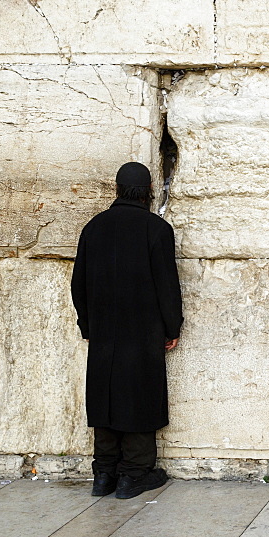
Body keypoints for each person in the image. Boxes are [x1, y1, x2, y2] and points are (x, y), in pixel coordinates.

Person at [71, 162, 182, 499]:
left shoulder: (94, 228)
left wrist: (87, 325)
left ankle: (103, 474)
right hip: (144, 332)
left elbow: (79, 285)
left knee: (105, 397)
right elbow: (167, 286)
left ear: (116, 189)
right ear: (148, 190)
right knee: (138, 397)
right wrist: (171, 326)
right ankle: (133, 474)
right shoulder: (156, 229)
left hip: (104, 333)